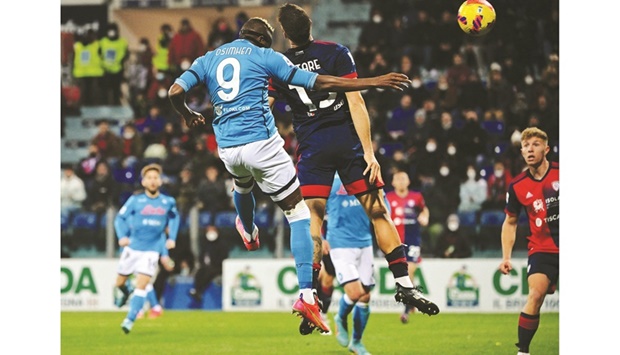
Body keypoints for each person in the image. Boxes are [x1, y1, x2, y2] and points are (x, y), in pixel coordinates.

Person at [168, 16, 412, 333]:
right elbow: (322, 83)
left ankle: (248, 227)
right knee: (299, 213)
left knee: (241, 184)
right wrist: (371, 81)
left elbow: (175, 91)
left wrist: (187, 115)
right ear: (264, 40)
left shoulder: (209, 57)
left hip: (228, 149)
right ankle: (308, 295)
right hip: (263, 146)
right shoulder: (267, 57)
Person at [269, 4, 438, 325]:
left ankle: (312, 293)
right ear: (310, 26)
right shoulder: (336, 52)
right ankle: (404, 283)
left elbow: (267, 109)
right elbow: (356, 100)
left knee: (312, 219)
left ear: (285, 33)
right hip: (347, 145)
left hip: (313, 149)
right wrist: (370, 153)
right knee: (379, 212)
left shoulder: (278, 65)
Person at [498, 127, 559, 355]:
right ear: (521, 151)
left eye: (535, 144)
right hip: (542, 248)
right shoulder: (517, 185)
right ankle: (523, 351)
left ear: (546, 148)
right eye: (526, 146)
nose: (530, 149)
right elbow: (510, 222)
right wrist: (506, 257)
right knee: (535, 295)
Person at [302, 173, 376, 354]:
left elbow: (381, 210)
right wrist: (321, 237)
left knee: (365, 297)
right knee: (354, 291)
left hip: (365, 243)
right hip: (340, 244)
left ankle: (356, 342)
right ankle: (340, 318)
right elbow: (313, 210)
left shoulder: (366, 178)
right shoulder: (329, 182)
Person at [113, 163, 180, 334]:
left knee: (142, 285)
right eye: (149, 178)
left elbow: (174, 218)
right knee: (119, 282)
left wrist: (171, 237)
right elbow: (119, 219)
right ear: (143, 182)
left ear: (160, 181)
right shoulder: (135, 201)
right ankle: (124, 290)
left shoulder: (167, 201)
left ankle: (129, 319)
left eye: (155, 178)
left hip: (151, 251)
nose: (152, 181)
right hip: (133, 248)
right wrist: (122, 237)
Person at [385, 170, 430, 323]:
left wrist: (424, 216)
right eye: (398, 179)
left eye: (404, 178)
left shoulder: (416, 197)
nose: (401, 181)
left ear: (409, 181)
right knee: (403, 274)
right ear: (393, 182)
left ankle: (405, 311)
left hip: (412, 240)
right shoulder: (388, 197)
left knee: (410, 270)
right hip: (394, 241)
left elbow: (424, 209)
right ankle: (411, 302)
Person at [100, 23, 129, 105]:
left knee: (116, 92)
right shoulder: (103, 41)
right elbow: (99, 54)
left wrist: (121, 62)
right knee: (104, 93)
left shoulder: (122, 42)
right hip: (106, 71)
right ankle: (104, 108)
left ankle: (116, 107)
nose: (111, 32)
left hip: (118, 70)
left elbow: (126, 55)